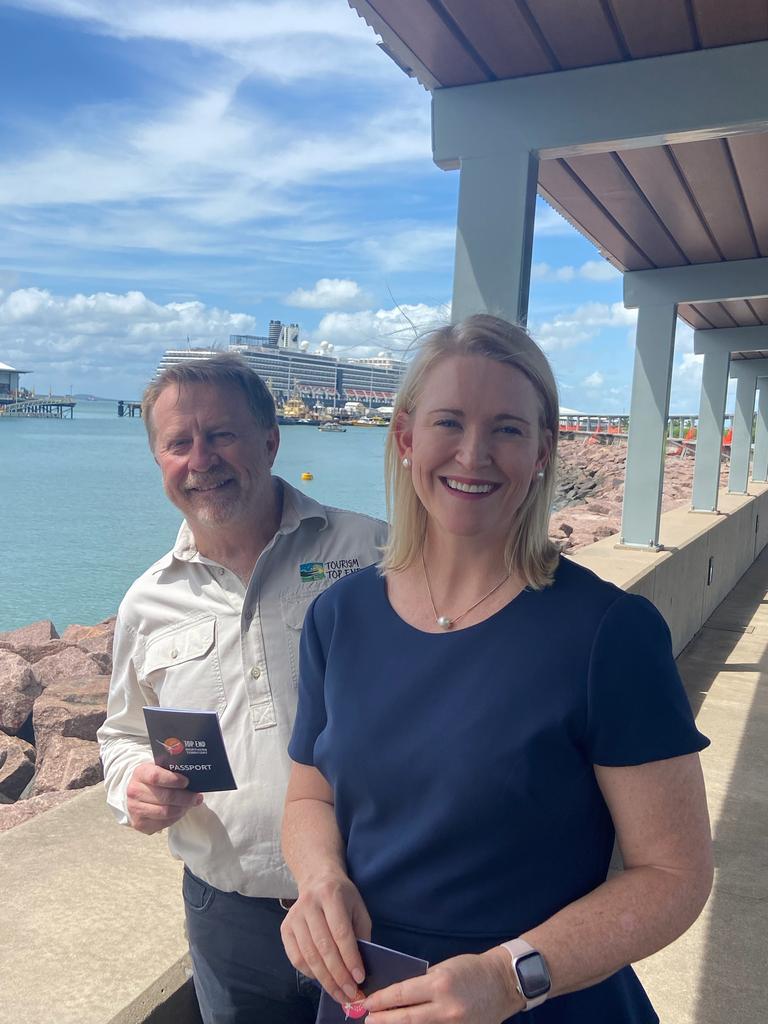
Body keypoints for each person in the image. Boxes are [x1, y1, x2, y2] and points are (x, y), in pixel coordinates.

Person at [280, 315, 713, 1023]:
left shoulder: (610, 633)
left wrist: (510, 978)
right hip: (368, 997)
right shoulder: (339, 617)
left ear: (543, 451)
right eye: (449, 422)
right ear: (406, 437)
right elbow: (308, 799)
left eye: (508, 429)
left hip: (546, 1001)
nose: (473, 454)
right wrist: (319, 877)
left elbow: (675, 875)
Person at [97, 354, 386, 1024]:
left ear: (270, 441)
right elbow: (121, 732)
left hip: (372, 899)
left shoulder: (371, 553)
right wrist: (132, 784)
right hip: (225, 918)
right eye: (178, 443)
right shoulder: (148, 601)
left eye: (221, 435)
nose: (201, 460)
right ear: (158, 460)